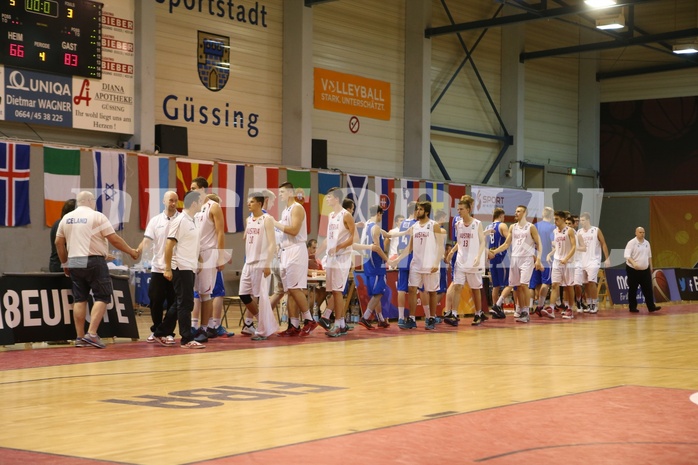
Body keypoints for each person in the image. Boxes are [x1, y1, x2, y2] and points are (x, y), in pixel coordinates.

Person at [55, 191, 140, 348]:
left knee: (79, 298)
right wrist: (131, 251)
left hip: (75, 261)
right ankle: (92, 334)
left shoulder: (66, 219)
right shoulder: (97, 216)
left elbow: (58, 243)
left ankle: (80, 337)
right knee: (102, 296)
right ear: (89, 201)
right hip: (94, 260)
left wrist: (65, 263)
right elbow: (114, 239)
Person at [152, 191, 206, 348]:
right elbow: (169, 245)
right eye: (200, 201)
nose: (202, 205)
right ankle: (187, 338)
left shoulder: (193, 220)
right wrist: (167, 268)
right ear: (194, 203)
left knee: (181, 303)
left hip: (189, 267)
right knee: (185, 304)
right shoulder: (180, 220)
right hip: (180, 267)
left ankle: (160, 332)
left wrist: (198, 258)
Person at [391, 201, 446, 330]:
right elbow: (409, 247)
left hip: (430, 264)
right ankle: (412, 318)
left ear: (426, 212)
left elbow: (440, 246)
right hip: (416, 263)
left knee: (431, 292)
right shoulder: (415, 226)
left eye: (420, 209)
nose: (417, 212)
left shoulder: (434, 225)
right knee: (411, 290)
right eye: (417, 209)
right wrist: (397, 259)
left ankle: (431, 317)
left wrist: (436, 262)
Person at [273, 182, 318, 337]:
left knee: (294, 288)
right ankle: (294, 325)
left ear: (290, 192)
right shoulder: (285, 210)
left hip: (296, 250)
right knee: (289, 291)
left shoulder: (297, 208)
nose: (280, 194)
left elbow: (294, 230)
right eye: (279, 192)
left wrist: (275, 223)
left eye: (283, 192)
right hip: (285, 251)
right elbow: (283, 233)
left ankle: (309, 319)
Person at [190, 178, 230, 339]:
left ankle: (205, 328)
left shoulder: (213, 207)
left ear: (202, 189)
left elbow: (220, 232)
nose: (191, 190)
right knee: (195, 292)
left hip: (208, 253)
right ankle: (194, 326)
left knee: (206, 293)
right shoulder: (194, 208)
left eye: (193, 188)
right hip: (194, 253)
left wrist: (220, 257)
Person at [137, 191, 179, 344]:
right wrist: (137, 251)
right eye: (170, 200)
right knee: (155, 300)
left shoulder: (182, 220)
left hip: (176, 267)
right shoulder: (155, 221)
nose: (173, 203)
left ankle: (168, 332)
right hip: (158, 267)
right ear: (163, 201)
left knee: (173, 300)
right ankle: (156, 330)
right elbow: (147, 241)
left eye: (175, 201)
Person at [490, 204, 544, 323]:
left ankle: (526, 311)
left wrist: (538, 259)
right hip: (514, 258)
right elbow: (506, 244)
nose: (516, 213)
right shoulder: (512, 227)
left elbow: (539, 244)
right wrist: (494, 251)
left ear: (525, 213)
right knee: (517, 286)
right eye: (515, 211)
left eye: (519, 211)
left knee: (524, 285)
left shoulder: (531, 227)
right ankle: (520, 311)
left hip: (526, 259)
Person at [238, 193, 276, 340]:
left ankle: (262, 331)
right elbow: (246, 237)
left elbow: (272, 243)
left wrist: (267, 263)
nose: (249, 204)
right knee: (244, 294)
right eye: (248, 202)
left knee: (262, 297)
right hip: (249, 262)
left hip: (261, 262)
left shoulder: (267, 219)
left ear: (260, 204)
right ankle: (263, 321)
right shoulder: (249, 219)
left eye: (252, 202)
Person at [446, 196, 487, 326]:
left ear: (468, 210)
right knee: (457, 286)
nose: (459, 211)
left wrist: (478, 256)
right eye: (458, 209)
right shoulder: (458, 224)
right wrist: (452, 252)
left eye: (461, 209)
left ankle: (478, 313)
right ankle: (453, 314)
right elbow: (459, 242)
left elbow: (482, 242)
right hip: (461, 260)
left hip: (474, 261)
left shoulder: (477, 224)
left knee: (475, 288)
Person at [322, 188, 356, 337]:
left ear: (336, 199)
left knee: (337, 291)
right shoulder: (331, 215)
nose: (327, 199)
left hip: (342, 257)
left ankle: (336, 324)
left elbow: (354, 238)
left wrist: (339, 247)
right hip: (332, 257)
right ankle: (341, 324)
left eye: (329, 197)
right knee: (333, 291)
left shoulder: (346, 215)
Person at [358, 205, 389, 330]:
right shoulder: (375, 228)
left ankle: (380, 319)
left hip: (367, 263)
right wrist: (388, 260)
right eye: (382, 214)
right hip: (376, 264)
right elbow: (377, 247)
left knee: (376, 293)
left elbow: (388, 235)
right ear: (379, 213)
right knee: (379, 293)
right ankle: (365, 317)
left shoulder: (366, 226)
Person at [575, 212, 611, 314]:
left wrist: (607, 258)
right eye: (580, 220)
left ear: (588, 220)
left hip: (594, 260)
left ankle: (595, 304)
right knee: (585, 284)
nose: (581, 222)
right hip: (582, 261)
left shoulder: (596, 230)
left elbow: (603, 244)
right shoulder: (579, 232)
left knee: (592, 282)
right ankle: (589, 303)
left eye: (583, 220)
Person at [545, 210, 577, 320]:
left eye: (557, 219)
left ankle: (570, 309)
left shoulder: (570, 231)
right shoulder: (555, 231)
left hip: (568, 262)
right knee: (554, 285)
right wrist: (550, 255)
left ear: (563, 219)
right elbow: (556, 247)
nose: (555, 221)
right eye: (554, 219)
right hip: (557, 261)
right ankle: (552, 309)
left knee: (569, 286)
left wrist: (567, 258)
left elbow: (574, 247)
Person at [624, 226, 661, 313]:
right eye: (640, 232)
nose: (642, 234)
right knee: (633, 288)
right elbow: (627, 255)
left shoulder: (647, 243)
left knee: (648, 288)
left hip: (645, 270)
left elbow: (649, 256)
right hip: (633, 270)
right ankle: (632, 307)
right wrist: (634, 263)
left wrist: (651, 267)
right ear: (636, 233)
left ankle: (651, 307)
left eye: (643, 232)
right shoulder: (631, 243)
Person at [528, 206, 555, 317]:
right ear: (551, 216)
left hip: (534, 259)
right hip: (546, 260)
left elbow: (529, 244)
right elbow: (554, 243)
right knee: (546, 283)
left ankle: (529, 307)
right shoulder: (552, 227)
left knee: (533, 285)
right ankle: (540, 306)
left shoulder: (534, 226)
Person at [486, 207, 509, 320]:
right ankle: (497, 306)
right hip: (501, 256)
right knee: (508, 283)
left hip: (491, 255)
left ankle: (495, 310)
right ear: (501, 216)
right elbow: (509, 239)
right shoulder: (502, 225)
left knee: (495, 286)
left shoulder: (488, 227)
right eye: (503, 217)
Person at [49, 199, 76, 272]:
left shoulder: (58, 223)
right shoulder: (65, 225)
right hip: (62, 266)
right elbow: (60, 244)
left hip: (57, 264)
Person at [307, 238, 327, 312]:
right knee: (315, 293)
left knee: (325, 291)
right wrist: (321, 272)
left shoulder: (317, 259)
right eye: (313, 248)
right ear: (308, 248)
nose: (315, 250)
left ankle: (316, 311)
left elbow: (322, 271)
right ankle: (309, 312)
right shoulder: (305, 257)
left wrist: (323, 272)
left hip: (315, 284)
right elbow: (308, 272)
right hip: (305, 286)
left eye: (316, 248)